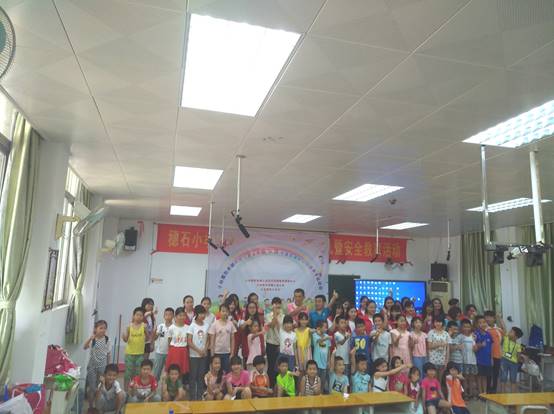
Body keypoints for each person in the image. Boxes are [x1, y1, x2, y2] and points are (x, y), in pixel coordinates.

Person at [84, 320, 111, 408]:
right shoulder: (93, 339)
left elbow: (108, 353)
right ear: (95, 329)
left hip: (102, 367)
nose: (103, 330)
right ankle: (90, 406)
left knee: (99, 386)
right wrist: (90, 339)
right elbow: (85, 347)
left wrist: (108, 367)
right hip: (92, 367)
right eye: (101, 328)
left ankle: (97, 406)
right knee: (92, 387)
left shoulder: (107, 339)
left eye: (104, 328)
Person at [188, 304, 209, 400]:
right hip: (193, 356)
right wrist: (198, 350)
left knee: (201, 377)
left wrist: (204, 350)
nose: (203, 315)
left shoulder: (207, 325)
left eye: (204, 313)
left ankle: (199, 396)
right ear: (196, 314)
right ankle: (192, 397)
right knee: (193, 377)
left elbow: (208, 339)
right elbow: (189, 341)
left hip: (203, 355)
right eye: (201, 313)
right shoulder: (192, 326)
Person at [121, 307, 146, 388]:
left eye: (141, 315)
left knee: (138, 373)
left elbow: (148, 338)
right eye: (137, 315)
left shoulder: (144, 326)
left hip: (140, 354)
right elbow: (125, 339)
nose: (139, 317)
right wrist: (124, 335)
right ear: (133, 316)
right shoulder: (129, 326)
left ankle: (134, 389)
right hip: (129, 354)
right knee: (128, 373)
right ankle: (126, 390)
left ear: (143, 317)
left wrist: (148, 331)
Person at [208, 303, 236, 373]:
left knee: (227, 372)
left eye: (226, 311)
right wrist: (212, 354)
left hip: (227, 353)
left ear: (228, 312)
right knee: (217, 372)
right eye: (223, 311)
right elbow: (212, 340)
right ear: (219, 312)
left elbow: (232, 340)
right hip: (216, 353)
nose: (224, 313)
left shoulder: (231, 324)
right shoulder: (214, 324)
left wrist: (232, 353)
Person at [166, 307, 190, 382]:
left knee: (182, 371)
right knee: (172, 370)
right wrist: (170, 350)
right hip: (174, 351)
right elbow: (169, 340)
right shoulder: (171, 328)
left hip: (183, 351)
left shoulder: (188, 327)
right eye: (180, 315)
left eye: (184, 315)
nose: (182, 317)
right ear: (176, 316)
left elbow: (189, 340)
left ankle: (180, 386)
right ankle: (170, 386)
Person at [265, 297, 284, 385]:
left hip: (281, 345)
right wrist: (275, 314)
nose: (277, 307)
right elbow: (272, 325)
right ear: (272, 306)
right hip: (271, 344)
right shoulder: (268, 316)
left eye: (278, 305)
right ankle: (271, 385)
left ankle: (279, 385)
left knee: (280, 367)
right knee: (271, 366)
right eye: (275, 305)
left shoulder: (283, 317)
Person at [484, 310, 504, 393]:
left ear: (494, 318)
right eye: (486, 317)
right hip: (487, 355)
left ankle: (494, 390)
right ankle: (487, 390)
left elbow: (505, 332)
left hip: (497, 355)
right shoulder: (484, 329)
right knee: (487, 374)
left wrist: (500, 318)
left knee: (496, 373)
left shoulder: (498, 329)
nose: (488, 319)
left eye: (490, 317)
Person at [500, 326, 523, 393]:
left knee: (513, 379)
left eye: (511, 332)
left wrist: (520, 360)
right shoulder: (506, 338)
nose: (509, 333)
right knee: (503, 377)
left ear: (516, 337)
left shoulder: (518, 345)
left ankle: (513, 395)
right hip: (504, 360)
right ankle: (502, 394)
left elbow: (518, 356)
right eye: (510, 331)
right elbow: (503, 328)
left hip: (514, 363)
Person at [152, 307, 173, 380]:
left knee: (169, 373)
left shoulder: (174, 327)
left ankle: (167, 386)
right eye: (166, 314)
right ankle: (154, 386)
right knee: (156, 373)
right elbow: (155, 338)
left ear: (173, 316)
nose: (168, 316)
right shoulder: (160, 326)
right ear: (164, 316)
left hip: (170, 353)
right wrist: (154, 332)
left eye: (170, 314)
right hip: (159, 352)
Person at [474, 315, 493, 395]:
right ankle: (480, 393)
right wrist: (480, 345)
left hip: (487, 360)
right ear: (477, 324)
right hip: (479, 360)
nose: (482, 324)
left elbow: (491, 347)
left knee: (485, 377)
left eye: (484, 322)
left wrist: (491, 359)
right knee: (479, 377)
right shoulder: (475, 334)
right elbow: (474, 347)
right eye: (480, 323)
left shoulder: (488, 334)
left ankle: (484, 392)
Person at [460, 318, 478, 398]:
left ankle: (471, 393)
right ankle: (465, 393)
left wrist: (476, 347)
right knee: (465, 378)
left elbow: (475, 348)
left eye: (468, 327)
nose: (466, 328)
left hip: (473, 361)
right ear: (461, 327)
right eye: (465, 327)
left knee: (471, 378)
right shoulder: (461, 337)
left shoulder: (472, 336)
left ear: (471, 327)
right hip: (464, 361)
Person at [312, 319, 331, 394]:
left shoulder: (327, 336)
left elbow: (328, 349)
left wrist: (328, 361)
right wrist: (326, 338)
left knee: (322, 383)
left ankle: (321, 395)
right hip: (317, 364)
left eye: (326, 327)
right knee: (315, 383)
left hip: (324, 364)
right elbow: (319, 341)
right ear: (319, 328)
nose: (326, 329)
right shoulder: (315, 335)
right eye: (324, 327)